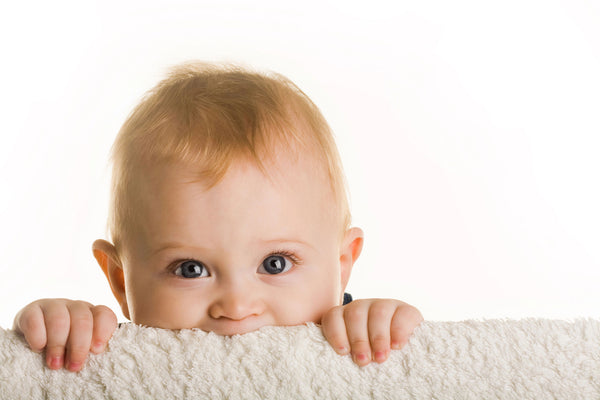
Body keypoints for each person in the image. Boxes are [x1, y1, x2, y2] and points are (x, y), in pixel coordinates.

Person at [13, 62, 423, 372]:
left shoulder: (350, 346)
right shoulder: (123, 364)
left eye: (275, 264)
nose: (237, 307)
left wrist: (382, 324)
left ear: (342, 264)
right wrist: (64, 328)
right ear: (121, 281)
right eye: (191, 269)